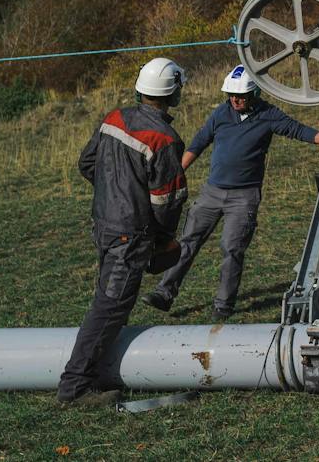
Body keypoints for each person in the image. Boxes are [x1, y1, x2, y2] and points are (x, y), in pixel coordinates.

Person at [142, 64, 319, 320]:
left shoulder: (268, 114)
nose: (235, 99)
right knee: (187, 242)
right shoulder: (221, 113)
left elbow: (298, 130)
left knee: (232, 249)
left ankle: (223, 306)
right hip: (212, 192)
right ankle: (164, 293)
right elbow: (199, 141)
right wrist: (177, 172)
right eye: (231, 94)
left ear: (254, 95)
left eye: (240, 95)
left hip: (244, 197)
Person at [57, 57, 188, 407]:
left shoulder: (114, 119)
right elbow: (167, 201)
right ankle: (75, 387)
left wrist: (113, 195)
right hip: (131, 238)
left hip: (103, 226)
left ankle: (96, 371)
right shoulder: (165, 139)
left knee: (109, 302)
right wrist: (162, 240)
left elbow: (88, 164)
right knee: (109, 307)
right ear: (174, 93)